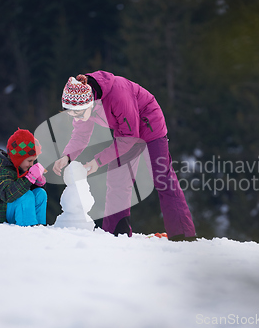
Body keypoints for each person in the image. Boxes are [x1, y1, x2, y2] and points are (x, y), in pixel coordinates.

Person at [53, 71, 196, 241]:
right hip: (125, 132)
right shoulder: (82, 104)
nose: (76, 118)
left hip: (150, 125)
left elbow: (130, 137)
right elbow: (80, 136)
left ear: (89, 102)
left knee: (162, 178)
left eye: (77, 114)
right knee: (118, 180)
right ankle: (116, 234)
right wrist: (67, 157)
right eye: (71, 115)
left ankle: (182, 234)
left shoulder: (117, 94)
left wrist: (97, 161)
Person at [0, 128, 47, 226]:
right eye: (29, 161)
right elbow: (8, 194)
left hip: (13, 206)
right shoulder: (2, 171)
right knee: (27, 195)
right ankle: (28, 227)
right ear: (18, 159)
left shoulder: (22, 168)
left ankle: (39, 227)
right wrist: (29, 178)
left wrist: (37, 183)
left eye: (33, 161)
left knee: (40, 193)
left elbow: (27, 188)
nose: (31, 164)